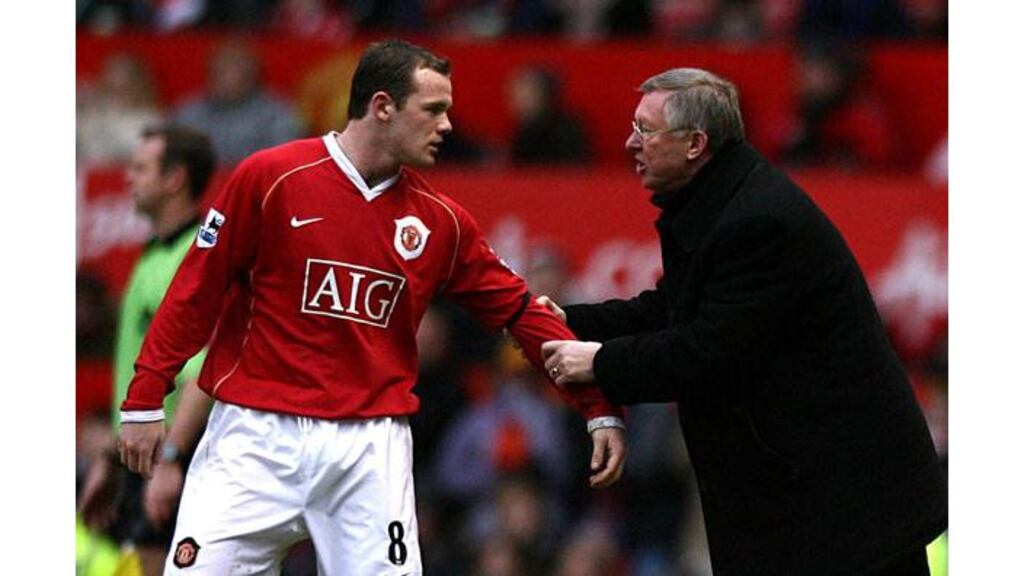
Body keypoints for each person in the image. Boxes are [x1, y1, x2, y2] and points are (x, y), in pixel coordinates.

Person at [117, 39, 626, 575]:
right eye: (433, 110)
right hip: (253, 438)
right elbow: (196, 290)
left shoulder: (440, 220)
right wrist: (145, 398)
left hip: (368, 451)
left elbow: (520, 311)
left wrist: (596, 405)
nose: (447, 125)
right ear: (382, 106)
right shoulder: (272, 178)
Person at [540, 68, 946, 575]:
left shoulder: (756, 222)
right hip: (811, 506)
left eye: (646, 130)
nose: (629, 142)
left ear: (695, 144)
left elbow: (709, 354)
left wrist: (598, 363)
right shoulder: (719, 202)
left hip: (845, 514)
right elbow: (670, 308)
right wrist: (564, 320)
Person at [79, 125, 217, 576]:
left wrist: (172, 459)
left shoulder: (191, 260)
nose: (128, 178)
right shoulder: (156, 252)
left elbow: (204, 373)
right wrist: (113, 456)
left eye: (140, 168)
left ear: (175, 178)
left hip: (179, 458)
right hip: (147, 458)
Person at [174, 40, 302, 164]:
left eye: (235, 70)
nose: (226, 78)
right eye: (220, 71)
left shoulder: (278, 114)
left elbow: (283, 161)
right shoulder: (188, 113)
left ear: (253, 75)